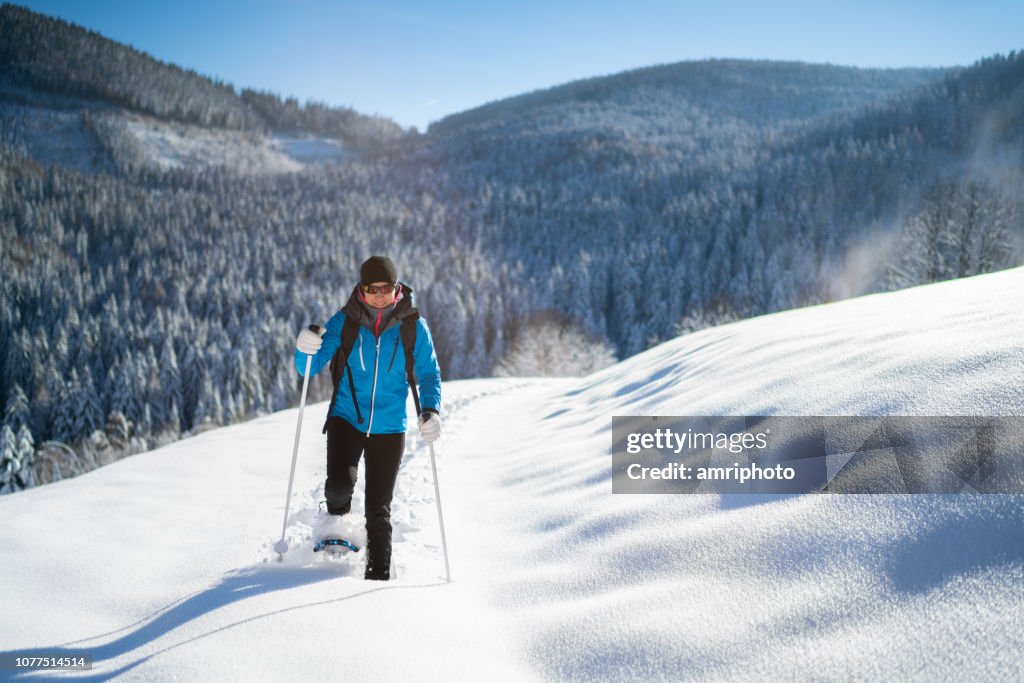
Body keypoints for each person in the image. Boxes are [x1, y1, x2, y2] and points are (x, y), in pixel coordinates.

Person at [294, 255, 442, 580]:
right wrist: (303, 349)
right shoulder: (345, 322)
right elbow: (308, 369)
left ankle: (378, 582)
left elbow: (429, 374)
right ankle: (336, 524)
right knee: (338, 487)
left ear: (397, 288)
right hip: (347, 417)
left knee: (379, 511)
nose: (378, 295)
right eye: (371, 288)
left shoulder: (413, 327)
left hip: (390, 427)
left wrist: (430, 411)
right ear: (361, 290)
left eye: (385, 288)